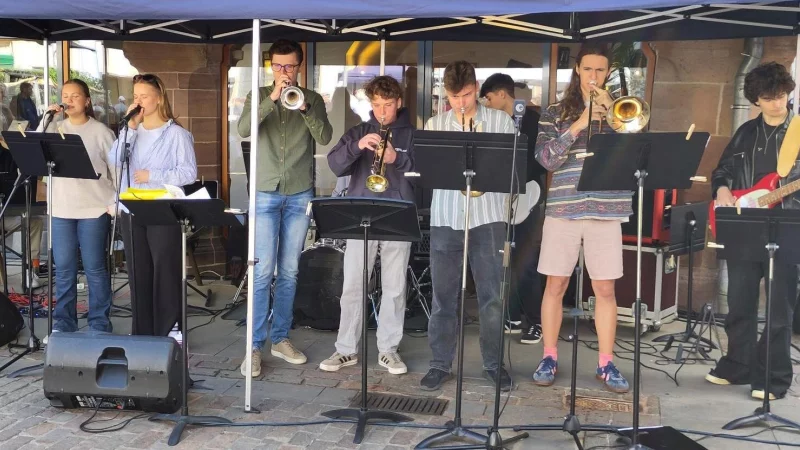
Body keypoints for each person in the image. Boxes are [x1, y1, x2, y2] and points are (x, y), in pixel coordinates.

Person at [533, 44, 632, 394]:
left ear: (608, 73)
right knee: (555, 285)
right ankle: (549, 355)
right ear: (577, 70)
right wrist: (579, 123)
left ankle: (606, 363)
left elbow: (635, 155)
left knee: (605, 289)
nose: (594, 77)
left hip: (607, 210)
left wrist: (614, 122)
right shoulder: (555, 112)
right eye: (588, 70)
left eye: (600, 71)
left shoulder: (621, 113)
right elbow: (546, 159)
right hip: (564, 210)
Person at [238, 39, 332, 375]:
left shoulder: (314, 99)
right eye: (278, 66)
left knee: (290, 272)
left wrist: (305, 108)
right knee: (262, 272)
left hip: (298, 193)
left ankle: (280, 338)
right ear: (270, 67)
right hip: (264, 192)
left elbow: (324, 137)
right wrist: (273, 99)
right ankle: (253, 347)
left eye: (289, 66)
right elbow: (243, 130)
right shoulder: (259, 95)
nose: (283, 72)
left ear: (299, 67)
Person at [419, 61, 515, 392]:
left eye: (467, 94)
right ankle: (439, 364)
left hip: (488, 218)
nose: (461, 102)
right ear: (445, 93)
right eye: (454, 96)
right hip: (446, 217)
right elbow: (428, 175)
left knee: (491, 297)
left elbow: (510, 171)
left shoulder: (501, 121)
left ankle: (493, 364)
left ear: (476, 87)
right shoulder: (435, 124)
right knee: (444, 297)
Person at [708, 62, 799, 400]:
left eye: (782, 96)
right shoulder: (745, 132)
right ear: (755, 100)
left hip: (787, 225)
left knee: (779, 309)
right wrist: (722, 190)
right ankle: (738, 365)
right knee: (739, 302)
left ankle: (773, 379)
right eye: (769, 98)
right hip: (746, 225)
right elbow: (723, 169)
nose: (778, 103)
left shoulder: (799, 129)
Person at [321, 75, 415, 375]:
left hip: (398, 213)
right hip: (362, 213)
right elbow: (334, 164)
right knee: (352, 285)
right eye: (376, 105)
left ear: (398, 103)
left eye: (388, 105)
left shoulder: (411, 134)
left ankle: (388, 350)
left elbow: (424, 170)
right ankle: (346, 350)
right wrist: (357, 146)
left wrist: (396, 158)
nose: (382, 112)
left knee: (395, 288)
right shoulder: (360, 130)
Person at [108, 73, 197, 338]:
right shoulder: (130, 132)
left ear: (158, 99)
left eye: (144, 96)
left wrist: (153, 176)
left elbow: (188, 172)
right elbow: (115, 158)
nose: (138, 101)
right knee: (138, 272)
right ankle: (142, 332)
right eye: (135, 96)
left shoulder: (177, 134)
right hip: (133, 208)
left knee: (165, 270)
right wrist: (131, 128)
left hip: (162, 208)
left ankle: (170, 329)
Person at [38, 79, 116, 334]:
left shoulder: (101, 132)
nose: (69, 100)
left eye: (75, 96)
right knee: (64, 270)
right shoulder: (56, 128)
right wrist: (47, 117)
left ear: (87, 101)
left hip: (94, 209)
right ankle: (64, 323)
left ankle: (99, 323)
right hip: (61, 208)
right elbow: (37, 147)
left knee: (94, 268)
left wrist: (114, 201)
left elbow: (117, 171)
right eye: (65, 95)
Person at [480, 72, 546, 344]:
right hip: (502, 198)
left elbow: (542, 161)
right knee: (506, 259)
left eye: (488, 97)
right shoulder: (493, 122)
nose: (487, 102)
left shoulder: (533, 120)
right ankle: (513, 315)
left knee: (527, 261)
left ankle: (536, 321)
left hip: (529, 194)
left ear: (502, 94)